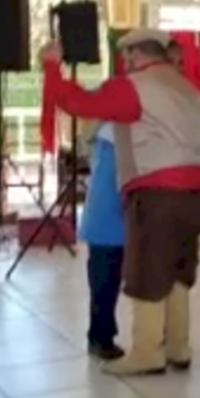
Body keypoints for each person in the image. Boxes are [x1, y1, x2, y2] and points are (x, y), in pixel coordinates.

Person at [40, 30, 200, 376]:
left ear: (135, 55)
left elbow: (78, 103)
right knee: (180, 269)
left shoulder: (133, 86)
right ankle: (178, 348)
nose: (126, 63)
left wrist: (51, 68)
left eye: (128, 57)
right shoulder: (187, 88)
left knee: (148, 269)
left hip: (160, 190)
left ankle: (147, 352)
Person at [78, 123, 126, 361]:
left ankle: (102, 335)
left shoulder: (108, 134)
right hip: (109, 220)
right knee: (105, 283)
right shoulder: (116, 137)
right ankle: (100, 337)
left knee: (106, 283)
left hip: (107, 220)